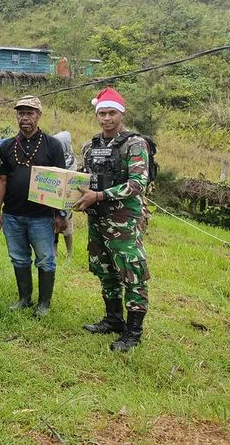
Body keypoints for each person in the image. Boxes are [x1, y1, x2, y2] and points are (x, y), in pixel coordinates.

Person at [74, 87, 151, 352]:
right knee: (105, 271)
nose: (106, 118)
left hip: (123, 221)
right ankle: (113, 319)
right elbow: (80, 178)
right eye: (102, 113)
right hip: (96, 219)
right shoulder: (90, 146)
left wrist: (100, 195)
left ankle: (133, 332)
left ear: (121, 113)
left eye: (111, 113)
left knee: (132, 273)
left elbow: (138, 183)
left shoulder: (135, 144)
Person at [0, 95, 66, 318]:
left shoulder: (52, 145)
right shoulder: (6, 146)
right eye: (21, 113)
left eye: (30, 113)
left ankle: (44, 303)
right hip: (13, 214)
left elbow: (62, 182)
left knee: (45, 258)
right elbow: (2, 180)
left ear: (38, 116)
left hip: (42, 216)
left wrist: (61, 214)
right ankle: (24, 298)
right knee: (19, 257)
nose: (25, 118)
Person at [54, 131, 76, 260]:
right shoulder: (54, 156)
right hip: (53, 198)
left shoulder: (71, 160)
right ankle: (54, 252)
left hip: (67, 200)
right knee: (53, 227)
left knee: (67, 225)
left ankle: (69, 254)